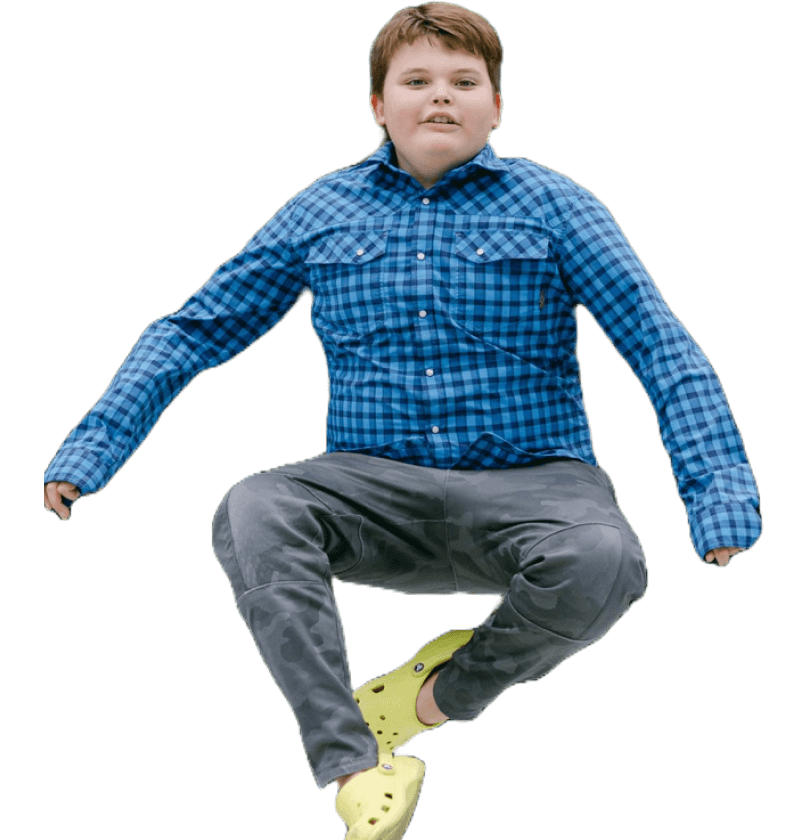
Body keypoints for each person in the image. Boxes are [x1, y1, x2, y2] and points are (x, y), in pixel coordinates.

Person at [43, 3, 761, 836]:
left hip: (536, 489)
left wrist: (717, 497)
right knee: (254, 506)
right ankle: (350, 767)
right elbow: (196, 328)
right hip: (372, 494)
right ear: (379, 106)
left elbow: (658, 345)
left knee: (606, 561)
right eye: (415, 81)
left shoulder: (557, 204)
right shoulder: (324, 208)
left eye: (465, 82)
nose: (441, 99)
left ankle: (428, 698)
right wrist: (91, 450)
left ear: (498, 105)